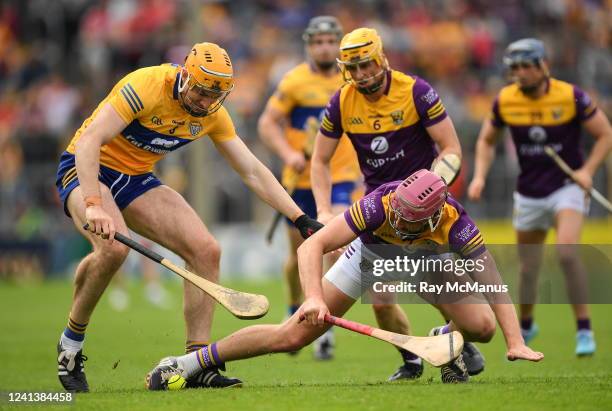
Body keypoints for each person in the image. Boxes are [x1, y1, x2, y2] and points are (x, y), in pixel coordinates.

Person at [55, 42, 322, 392]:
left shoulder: (212, 114)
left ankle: (196, 363)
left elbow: (252, 171)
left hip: (135, 180)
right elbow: (90, 140)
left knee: (205, 250)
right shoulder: (146, 85)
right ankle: (71, 346)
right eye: (200, 90)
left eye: (215, 95)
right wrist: (92, 203)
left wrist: (300, 218)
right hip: (85, 170)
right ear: (185, 76)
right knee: (114, 249)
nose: (205, 101)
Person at [145, 170, 543, 390]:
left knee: (483, 328)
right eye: (398, 210)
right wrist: (314, 297)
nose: (399, 217)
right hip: (371, 256)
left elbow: (491, 280)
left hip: (426, 260)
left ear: (436, 214)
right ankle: (188, 363)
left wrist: (516, 342)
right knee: (292, 337)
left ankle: (445, 338)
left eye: (409, 217)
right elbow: (310, 248)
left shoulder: (457, 225)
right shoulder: (379, 206)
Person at [310, 27, 482, 379]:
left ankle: (451, 338)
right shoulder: (341, 102)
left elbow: (451, 148)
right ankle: (413, 361)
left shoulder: (416, 91)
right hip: (382, 216)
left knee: (440, 289)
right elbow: (319, 160)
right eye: (352, 68)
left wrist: (435, 186)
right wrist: (323, 209)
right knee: (381, 302)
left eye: (366, 65)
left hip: (427, 215)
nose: (360, 75)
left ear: (381, 58)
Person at [467, 38, 612, 356]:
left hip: (567, 187)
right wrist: (479, 175)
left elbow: (604, 134)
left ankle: (584, 330)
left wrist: (587, 170)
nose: (519, 73)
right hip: (529, 192)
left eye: (526, 66)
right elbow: (487, 141)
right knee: (529, 267)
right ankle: (528, 324)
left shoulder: (570, 96)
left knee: (567, 253)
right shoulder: (506, 100)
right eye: (514, 67)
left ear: (543, 66)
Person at [258, 16, 360, 360]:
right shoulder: (294, 81)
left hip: (342, 178)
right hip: (299, 181)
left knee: (331, 250)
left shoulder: (351, 79)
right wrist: (288, 153)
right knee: (297, 257)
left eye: (331, 41)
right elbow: (267, 123)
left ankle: (323, 331)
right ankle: (293, 307)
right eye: (318, 42)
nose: (325, 48)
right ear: (308, 45)